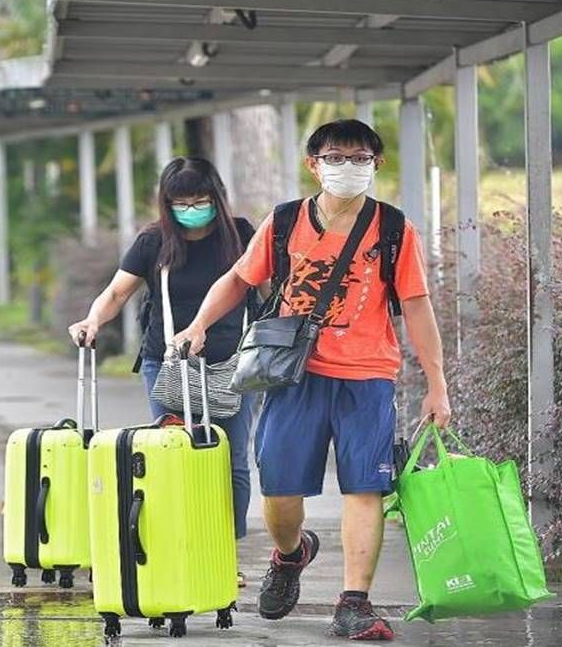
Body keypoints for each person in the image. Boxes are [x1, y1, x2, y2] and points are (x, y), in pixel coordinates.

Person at [173, 120, 452, 641]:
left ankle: (354, 604)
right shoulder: (283, 224)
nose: (348, 167)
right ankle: (290, 554)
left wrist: (437, 384)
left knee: (366, 487)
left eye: (359, 158)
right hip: (291, 373)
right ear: (313, 164)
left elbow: (416, 305)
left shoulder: (393, 229)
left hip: (368, 376)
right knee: (278, 490)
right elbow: (238, 279)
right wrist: (198, 325)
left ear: (377, 164)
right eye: (336, 157)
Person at [68, 157, 259, 585]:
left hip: (233, 362)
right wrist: (93, 321)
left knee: (230, 459)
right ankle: (180, 546)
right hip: (166, 361)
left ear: (217, 198)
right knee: (172, 454)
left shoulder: (242, 235)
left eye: (201, 200)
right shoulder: (154, 241)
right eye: (181, 202)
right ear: (167, 204)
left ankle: (224, 550)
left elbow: (271, 285)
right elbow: (117, 291)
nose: (192, 209)